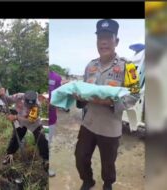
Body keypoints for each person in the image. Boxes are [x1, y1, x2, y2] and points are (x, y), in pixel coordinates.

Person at [74, 19, 140, 190]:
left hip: (110, 128)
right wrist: (79, 97)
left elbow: (134, 94)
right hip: (89, 124)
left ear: (116, 41)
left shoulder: (128, 67)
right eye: (100, 38)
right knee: (80, 157)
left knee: (108, 164)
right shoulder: (90, 66)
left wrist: (110, 102)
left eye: (108, 38)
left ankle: (108, 184)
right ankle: (87, 181)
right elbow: (83, 91)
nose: (103, 42)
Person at [0, 88, 49, 170]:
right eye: (27, 103)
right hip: (21, 122)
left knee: (41, 138)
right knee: (15, 137)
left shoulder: (37, 105)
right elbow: (7, 100)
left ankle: (46, 160)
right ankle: (9, 155)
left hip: (34, 123)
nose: (29, 106)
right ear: (24, 98)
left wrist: (15, 117)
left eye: (30, 105)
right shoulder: (19, 96)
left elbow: (31, 120)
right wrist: (2, 95)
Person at [48, 70, 62, 177]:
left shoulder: (56, 77)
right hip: (34, 117)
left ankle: (46, 167)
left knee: (47, 144)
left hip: (51, 119)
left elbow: (59, 96)